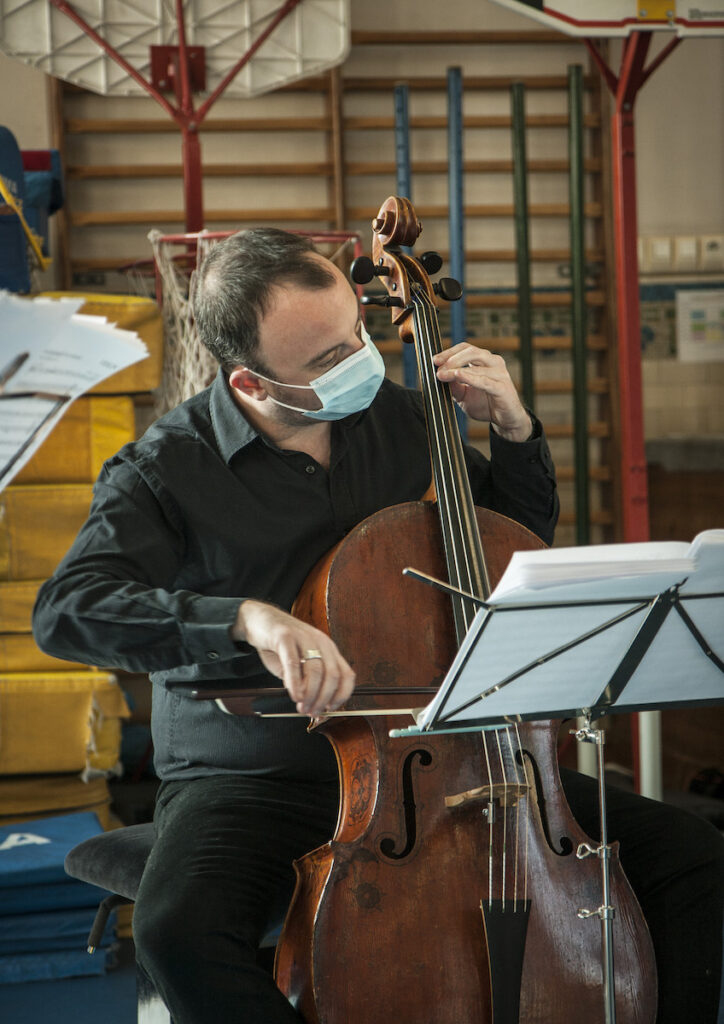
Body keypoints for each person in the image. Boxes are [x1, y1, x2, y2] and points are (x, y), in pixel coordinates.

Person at [33, 229, 722, 1024]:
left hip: (442, 756)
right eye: (329, 358)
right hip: (258, 776)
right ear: (250, 380)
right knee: (176, 931)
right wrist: (246, 620)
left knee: (690, 858)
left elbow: (504, 550)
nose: (360, 360)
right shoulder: (166, 469)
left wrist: (514, 433)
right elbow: (68, 610)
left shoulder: (403, 420)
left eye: (358, 334)